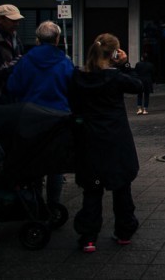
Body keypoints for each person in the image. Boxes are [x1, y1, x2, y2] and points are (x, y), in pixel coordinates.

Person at [70, 33, 142, 253]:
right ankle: (124, 231)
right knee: (121, 187)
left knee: (92, 189)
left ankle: (89, 237)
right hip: (116, 138)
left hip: (89, 138)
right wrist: (125, 65)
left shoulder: (78, 77)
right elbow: (139, 85)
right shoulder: (116, 78)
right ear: (114, 53)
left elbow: (73, 103)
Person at [6, 20, 74, 207]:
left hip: (31, 117)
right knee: (55, 165)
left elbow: (13, 87)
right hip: (58, 117)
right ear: (57, 39)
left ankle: (36, 204)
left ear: (37, 39)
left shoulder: (26, 60)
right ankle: (54, 206)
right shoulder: (64, 62)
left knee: (35, 162)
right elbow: (73, 89)